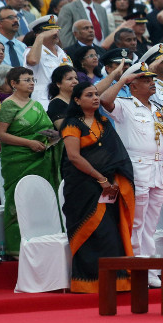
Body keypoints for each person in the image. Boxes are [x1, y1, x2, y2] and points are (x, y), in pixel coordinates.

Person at [100, 56, 163, 288]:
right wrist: (121, 80)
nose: (151, 82)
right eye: (144, 79)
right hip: (137, 168)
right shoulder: (126, 105)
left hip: (157, 168)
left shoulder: (157, 108)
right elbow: (104, 99)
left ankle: (150, 269)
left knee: (151, 224)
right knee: (137, 222)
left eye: (152, 78)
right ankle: (136, 267)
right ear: (133, 84)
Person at [61, 81, 135, 293]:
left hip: (109, 187)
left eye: (96, 94)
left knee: (111, 233)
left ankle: (117, 281)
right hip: (83, 188)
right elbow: (74, 157)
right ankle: (88, 283)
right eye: (88, 95)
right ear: (77, 100)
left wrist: (111, 180)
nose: (95, 98)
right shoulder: (72, 124)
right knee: (94, 233)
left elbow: (116, 155)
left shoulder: (103, 122)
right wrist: (100, 179)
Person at [0, 66, 61, 257]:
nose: (32, 82)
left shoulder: (37, 105)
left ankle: (42, 243)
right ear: (14, 84)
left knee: (38, 201)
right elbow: (0, 134)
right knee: (18, 201)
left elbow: (47, 128)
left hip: (41, 158)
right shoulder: (8, 105)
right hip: (17, 160)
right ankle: (16, 248)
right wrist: (29, 143)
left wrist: (55, 137)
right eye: (27, 80)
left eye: (33, 79)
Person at [47, 65, 78, 130]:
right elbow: (65, 130)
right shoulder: (56, 104)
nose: (75, 81)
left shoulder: (77, 100)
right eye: (70, 79)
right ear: (58, 84)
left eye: (76, 78)